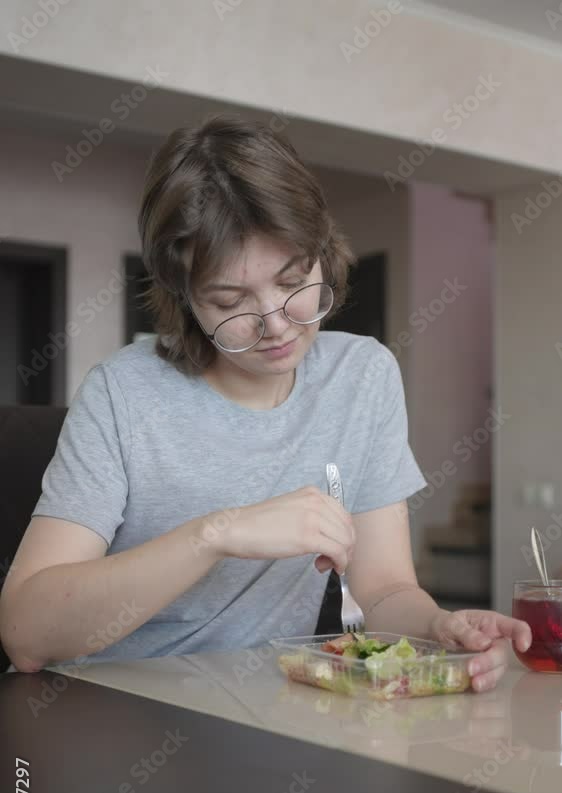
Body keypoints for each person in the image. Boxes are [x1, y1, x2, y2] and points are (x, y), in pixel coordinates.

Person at [0, 115, 531, 690]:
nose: (276, 325)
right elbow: (26, 635)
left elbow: (383, 588)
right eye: (231, 302)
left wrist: (437, 627)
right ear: (185, 299)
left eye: (294, 281)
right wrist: (216, 534)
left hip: (267, 705)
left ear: (322, 253)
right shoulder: (122, 393)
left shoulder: (363, 376)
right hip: (106, 707)